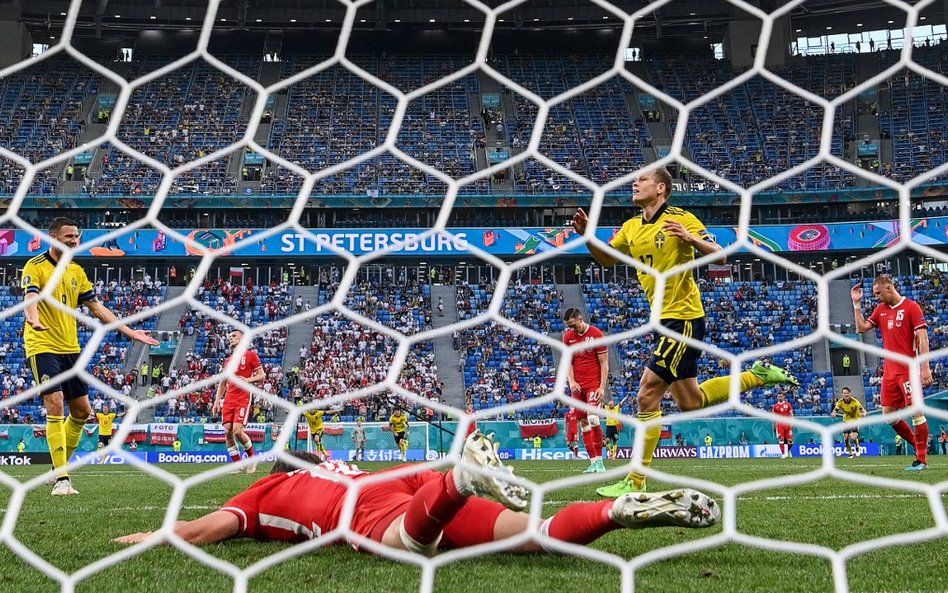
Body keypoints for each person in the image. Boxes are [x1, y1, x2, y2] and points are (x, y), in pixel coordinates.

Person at [571, 169, 799, 497]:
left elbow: (721, 255)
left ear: (661, 188)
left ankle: (635, 480)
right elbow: (608, 260)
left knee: (646, 394)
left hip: (683, 318)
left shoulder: (681, 218)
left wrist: (691, 239)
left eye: (643, 180)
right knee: (691, 403)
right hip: (662, 322)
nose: (635, 183)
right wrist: (587, 236)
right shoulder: (631, 226)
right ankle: (756, 376)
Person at [114, 432, 719, 553]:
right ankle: (614, 511)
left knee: (407, 543)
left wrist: (156, 535)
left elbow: (206, 529)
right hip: (393, 481)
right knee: (535, 536)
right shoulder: (340, 464)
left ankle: (459, 482)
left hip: (354, 511)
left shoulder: (267, 489)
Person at [21, 217, 159, 495]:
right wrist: (33, 318)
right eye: (69, 236)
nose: (75, 241)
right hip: (42, 345)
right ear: (53, 238)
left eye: (76, 236)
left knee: (82, 412)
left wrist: (130, 331)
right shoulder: (35, 266)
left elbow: (97, 308)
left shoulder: (76, 271)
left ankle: (56, 469)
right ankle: (62, 479)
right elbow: (30, 297)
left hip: (71, 348)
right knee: (55, 404)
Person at [852, 275, 933, 471]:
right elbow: (861, 328)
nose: (877, 297)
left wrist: (925, 367)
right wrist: (856, 304)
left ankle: (921, 460)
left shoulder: (911, 307)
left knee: (916, 413)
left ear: (889, 288)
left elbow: (923, 338)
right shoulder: (881, 310)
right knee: (888, 416)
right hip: (889, 371)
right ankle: (918, 446)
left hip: (908, 369)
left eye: (879, 293)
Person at [211, 329, 265, 474]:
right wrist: (217, 402)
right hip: (229, 399)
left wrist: (248, 380)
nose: (231, 338)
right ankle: (237, 465)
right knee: (227, 432)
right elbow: (223, 383)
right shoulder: (228, 361)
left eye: (234, 336)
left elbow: (262, 375)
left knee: (238, 431)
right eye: (230, 336)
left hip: (243, 397)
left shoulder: (251, 355)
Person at [562, 307, 609, 473]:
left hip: (593, 384)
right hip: (578, 386)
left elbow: (604, 363)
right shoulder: (568, 337)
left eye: (573, 325)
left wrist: (602, 387)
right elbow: (568, 362)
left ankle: (600, 462)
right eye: (569, 326)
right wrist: (571, 380)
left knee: (593, 418)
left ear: (580, 319)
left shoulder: (596, 335)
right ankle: (593, 462)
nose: (572, 329)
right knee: (583, 422)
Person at [831, 387, 867, 458]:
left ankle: (857, 446)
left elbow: (863, 410)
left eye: (847, 393)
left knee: (853, 437)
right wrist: (834, 413)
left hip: (855, 420)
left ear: (850, 394)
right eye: (844, 393)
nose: (846, 394)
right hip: (846, 421)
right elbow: (835, 410)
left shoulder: (855, 402)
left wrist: (864, 413)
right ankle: (850, 453)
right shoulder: (840, 402)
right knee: (846, 438)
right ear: (842, 394)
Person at [773, 393, 794, 458]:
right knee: (781, 439)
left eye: (781, 396)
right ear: (777, 397)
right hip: (780, 425)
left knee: (790, 440)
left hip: (787, 424)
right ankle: (783, 454)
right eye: (779, 396)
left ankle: (788, 451)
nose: (780, 397)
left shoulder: (788, 404)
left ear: (783, 397)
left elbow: (791, 414)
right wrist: (774, 425)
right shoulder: (775, 406)